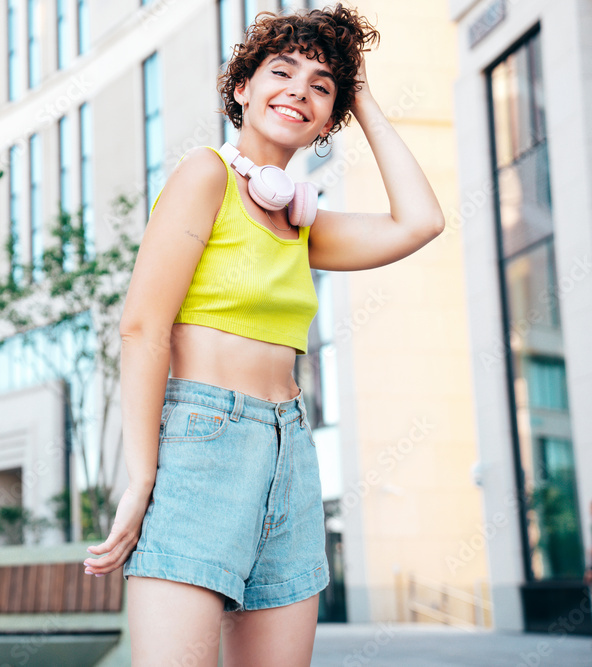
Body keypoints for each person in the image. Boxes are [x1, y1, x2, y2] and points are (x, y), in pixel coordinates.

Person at [82, 4, 444, 666]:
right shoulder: (207, 176)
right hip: (204, 443)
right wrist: (141, 476)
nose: (298, 92)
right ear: (242, 88)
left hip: (291, 452)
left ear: (330, 119)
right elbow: (142, 327)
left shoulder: (302, 223)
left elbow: (418, 221)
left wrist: (360, 94)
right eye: (282, 71)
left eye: (320, 86)